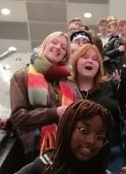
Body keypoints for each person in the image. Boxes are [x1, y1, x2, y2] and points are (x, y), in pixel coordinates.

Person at [9, 31, 79, 161]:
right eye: (54, 42)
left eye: (64, 48)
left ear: (65, 55)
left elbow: (81, 113)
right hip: (35, 151)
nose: (58, 47)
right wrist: (54, 112)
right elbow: (18, 117)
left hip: (68, 149)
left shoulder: (70, 83)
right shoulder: (22, 76)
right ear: (45, 45)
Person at [69, 42, 124, 174]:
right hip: (75, 154)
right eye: (85, 57)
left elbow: (125, 106)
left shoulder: (109, 84)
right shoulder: (66, 87)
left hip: (112, 152)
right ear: (75, 61)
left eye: (95, 59)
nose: (90, 61)